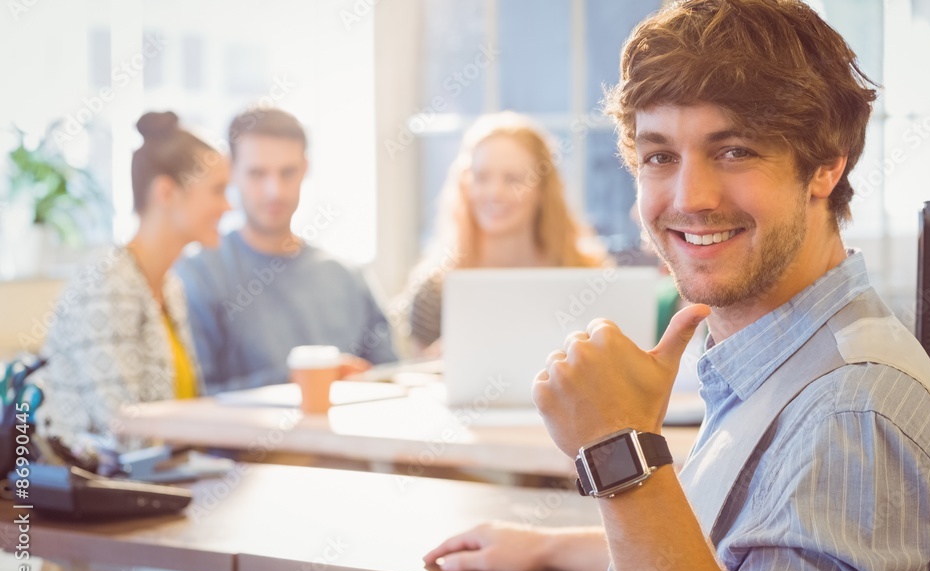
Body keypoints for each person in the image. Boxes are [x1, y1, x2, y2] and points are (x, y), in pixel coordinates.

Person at [425, 0, 930, 571]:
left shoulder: (852, 412)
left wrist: (618, 452)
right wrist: (549, 544)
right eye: (660, 155)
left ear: (825, 166)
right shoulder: (783, 355)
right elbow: (728, 561)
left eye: (734, 150)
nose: (690, 197)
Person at [175, 108, 396, 394]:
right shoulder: (200, 276)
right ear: (231, 172)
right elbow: (198, 398)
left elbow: (391, 377)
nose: (274, 191)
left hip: (344, 437)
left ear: (305, 168)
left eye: (287, 172)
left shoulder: (347, 277)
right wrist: (306, 380)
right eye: (257, 173)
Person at [42, 111, 230, 447]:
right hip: (108, 488)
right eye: (217, 190)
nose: (227, 206)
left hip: (166, 480)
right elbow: (123, 431)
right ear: (167, 192)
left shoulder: (169, 286)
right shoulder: (106, 283)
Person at [402, 111, 607, 356]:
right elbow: (417, 383)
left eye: (513, 179)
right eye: (481, 177)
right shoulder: (435, 291)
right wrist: (435, 366)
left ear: (542, 189)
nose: (495, 193)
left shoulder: (588, 279)